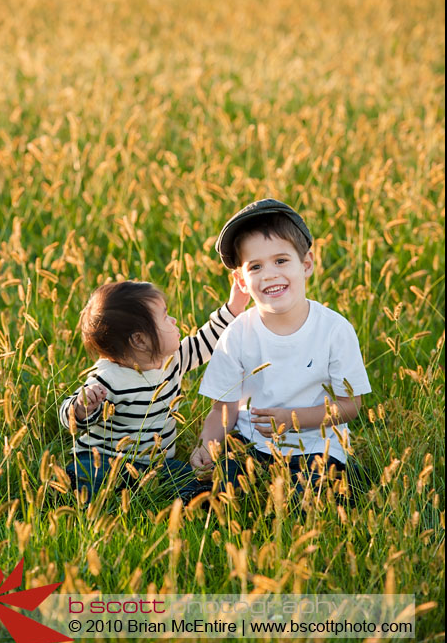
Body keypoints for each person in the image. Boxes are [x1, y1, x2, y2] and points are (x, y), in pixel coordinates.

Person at [190, 199, 372, 503]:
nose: (270, 274)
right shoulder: (237, 333)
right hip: (252, 443)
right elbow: (224, 409)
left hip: (316, 445)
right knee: (220, 494)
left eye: (281, 261)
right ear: (242, 281)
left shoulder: (334, 330)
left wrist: (293, 419)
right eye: (256, 267)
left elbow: (350, 405)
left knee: (310, 502)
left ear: (306, 264)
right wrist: (208, 445)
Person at [59, 278, 249, 504]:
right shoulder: (108, 378)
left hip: (156, 465)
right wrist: (82, 408)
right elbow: (68, 417)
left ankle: (191, 497)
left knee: (189, 478)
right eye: (165, 317)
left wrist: (234, 307)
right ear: (139, 340)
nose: (174, 320)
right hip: (107, 458)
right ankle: (76, 483)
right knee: (93, 473)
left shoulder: (172, 360)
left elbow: (206, 341)